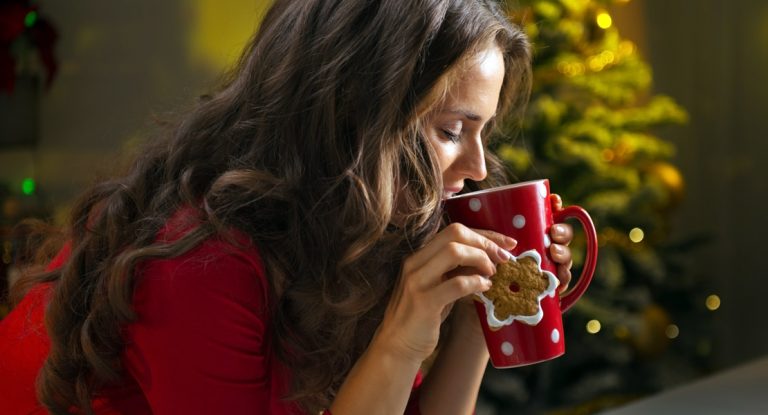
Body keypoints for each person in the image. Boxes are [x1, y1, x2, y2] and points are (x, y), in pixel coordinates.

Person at [0, 0, 576, 414]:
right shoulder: (199, 263)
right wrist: (399, 339)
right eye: (452, 130)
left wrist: (486, 317)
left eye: (484, 132)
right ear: (354, 117)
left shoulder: (360, 227)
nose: (477, 167)